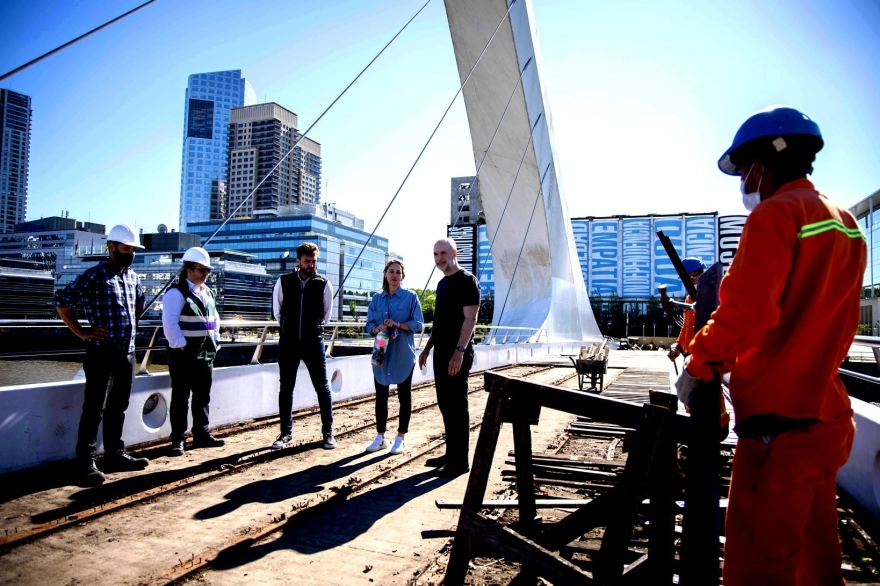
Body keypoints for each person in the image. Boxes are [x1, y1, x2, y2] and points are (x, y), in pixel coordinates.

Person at [677, 106, 866, 585]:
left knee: (759, 564)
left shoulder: (775, 216)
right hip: (825, 416)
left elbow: (747, 312)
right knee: (816, 557)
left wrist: (698, 366)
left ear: (761, 164)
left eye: (742, 171)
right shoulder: (846, 224)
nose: (743, 182)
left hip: (779, 426)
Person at [55, 224, 150, 486]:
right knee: (94, 408)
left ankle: (114, 454)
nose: (130, 253)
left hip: (127, 352)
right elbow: (63, 301)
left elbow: (139, 301)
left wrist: (133, 319)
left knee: (118, 406)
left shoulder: (133, 277)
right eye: (125, 248)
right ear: (111, 248)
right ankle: (85, 462)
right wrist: (82, 332)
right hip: (101, 353)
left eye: (133, 249)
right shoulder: (94, 275)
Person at [418, 239, 480, 476]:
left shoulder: (467, 281)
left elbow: (470, 319)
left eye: (443, 253)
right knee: (445, 404)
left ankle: (460, 461)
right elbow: (439, 324)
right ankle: (450, 453)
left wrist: (459, 351)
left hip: (457, 353)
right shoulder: (442, 284)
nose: (439, 258)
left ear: (454, 253)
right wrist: (426, 349)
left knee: (457, 405)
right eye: (435, 254)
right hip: (441, 352)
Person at [271, 242, 336, 450]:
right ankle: (285, 433)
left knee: (322, 388)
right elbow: (277, 312)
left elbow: (326, 316)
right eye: (307, 261)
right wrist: (289, 328)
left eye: (314, 261)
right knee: (286, 388)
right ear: (298, 261)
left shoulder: (324, 284)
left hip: (313, 341)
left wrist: (313, 327)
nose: (311, 265)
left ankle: (328, 432)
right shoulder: (283, 282)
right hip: (289, 342)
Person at [162, 247, 225, 456]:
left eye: (207, 271)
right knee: (180, 396)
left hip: (205, 353)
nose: (205, 274)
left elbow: (214, 319)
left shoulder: (207, 292)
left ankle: (201, 433)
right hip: (184, 354)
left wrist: (215, 340)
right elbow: (170, 323)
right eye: (202, 270)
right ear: (189, 269)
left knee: (202, 395)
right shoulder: (176, 293)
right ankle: (178, 439)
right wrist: (181, 345)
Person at [364, 259, 424, 455]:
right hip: (381, 350)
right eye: (391, 271)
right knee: (380, 396)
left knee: (404, 396)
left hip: (402, 353)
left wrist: (398, 324)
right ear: (385, 274)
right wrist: (376, 327)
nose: (394, 275)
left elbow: (418, 324)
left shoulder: (411, 297)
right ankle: (380, 436)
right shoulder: (377, 299)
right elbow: (369, 324)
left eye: (398, 272)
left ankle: (401, 438)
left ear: (402, 276)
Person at [666, 257, 705, 363]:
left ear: (698, 275)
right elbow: (686, 326)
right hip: (689, 354)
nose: (688, 283)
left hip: (705, 355)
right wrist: (678, 347)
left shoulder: (712, 296)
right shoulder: (689, 299)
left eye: (690, 278)